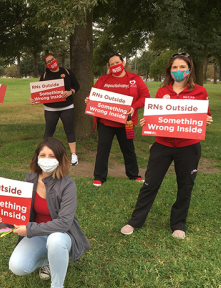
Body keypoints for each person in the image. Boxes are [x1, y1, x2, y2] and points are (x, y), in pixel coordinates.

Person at [120, 53, 213, 239]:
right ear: (170, 71)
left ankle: (178, 224)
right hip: (162, 145)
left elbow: (204, 115)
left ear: (189, 70)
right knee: (150, 183)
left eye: (182, 67)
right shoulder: (162, 92)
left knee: (185, 185)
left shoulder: (200, 92)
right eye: (174, 68)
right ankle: (135, 221)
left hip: (189, 147)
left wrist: (207, 119)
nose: (178, 71)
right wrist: (148, 122)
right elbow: (156, 117)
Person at [0, 137, 90, 288]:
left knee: (56, 241)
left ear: (60, 159)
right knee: (17, 266)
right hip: (37, 234)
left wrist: (29, 229)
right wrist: (3, 222)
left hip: (61, 235)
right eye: (42, 155)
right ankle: (51, 260)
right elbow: (19, 211)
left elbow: (64, 223)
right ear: (37, 158)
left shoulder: (68, 184)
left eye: (52, 156)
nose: (46, 159)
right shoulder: (29, 180)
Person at [85, 53, 150, 187]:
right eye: (111, 64)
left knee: (128, 149)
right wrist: (89, 100)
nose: (114, 66)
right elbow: (93, 95)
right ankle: (99, 176)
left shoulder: (135, 79)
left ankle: (134, 175)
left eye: (116, 63)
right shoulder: (103, 79)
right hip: (105, 122)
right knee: (103, 149)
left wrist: (134, 107)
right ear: (109, 67)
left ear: (123, 63)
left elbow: (145, 97)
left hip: (127, 122)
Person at [29, 53, 80, 166]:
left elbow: (76, 86)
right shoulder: (45, 75)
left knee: (69, 131)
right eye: (48, 61)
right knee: (48, 132)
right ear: (46, 65)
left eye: (52, 59)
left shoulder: (67, 72)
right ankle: (42, 155)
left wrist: (70, 92)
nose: (52, 62)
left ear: (56, 59)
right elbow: (39, 92)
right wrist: (33, 98)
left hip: (67, 107)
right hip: (50, 109)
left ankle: (73, 155)